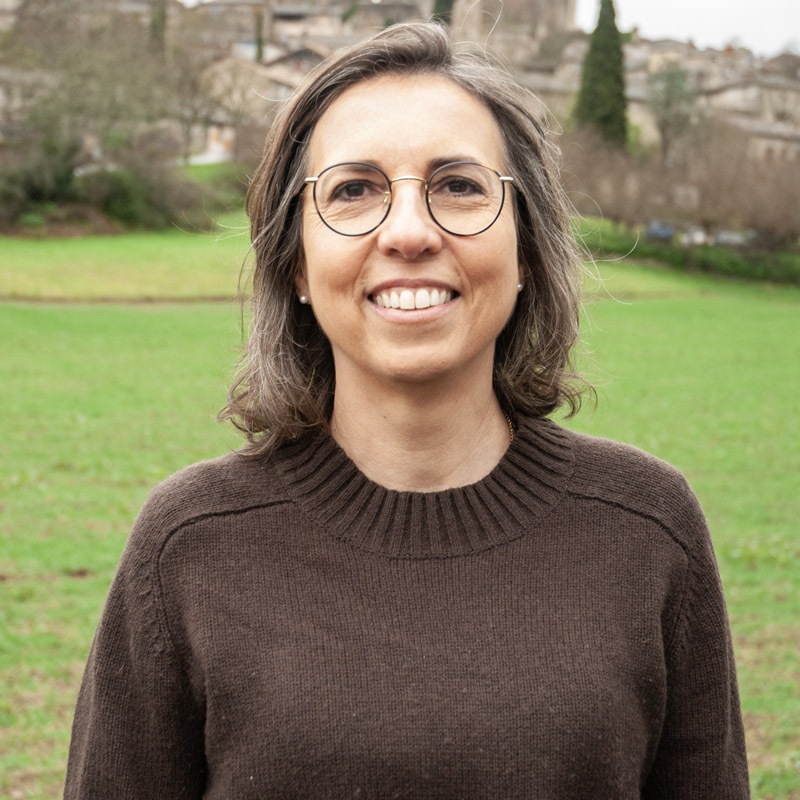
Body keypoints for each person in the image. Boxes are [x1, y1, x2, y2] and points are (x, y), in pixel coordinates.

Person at [64, 22, 749, 799]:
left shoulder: (648, 527)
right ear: (295, 263)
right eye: (354, 190)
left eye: (459, 185)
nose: (410, 232)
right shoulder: (188, 544)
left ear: (525, 249)